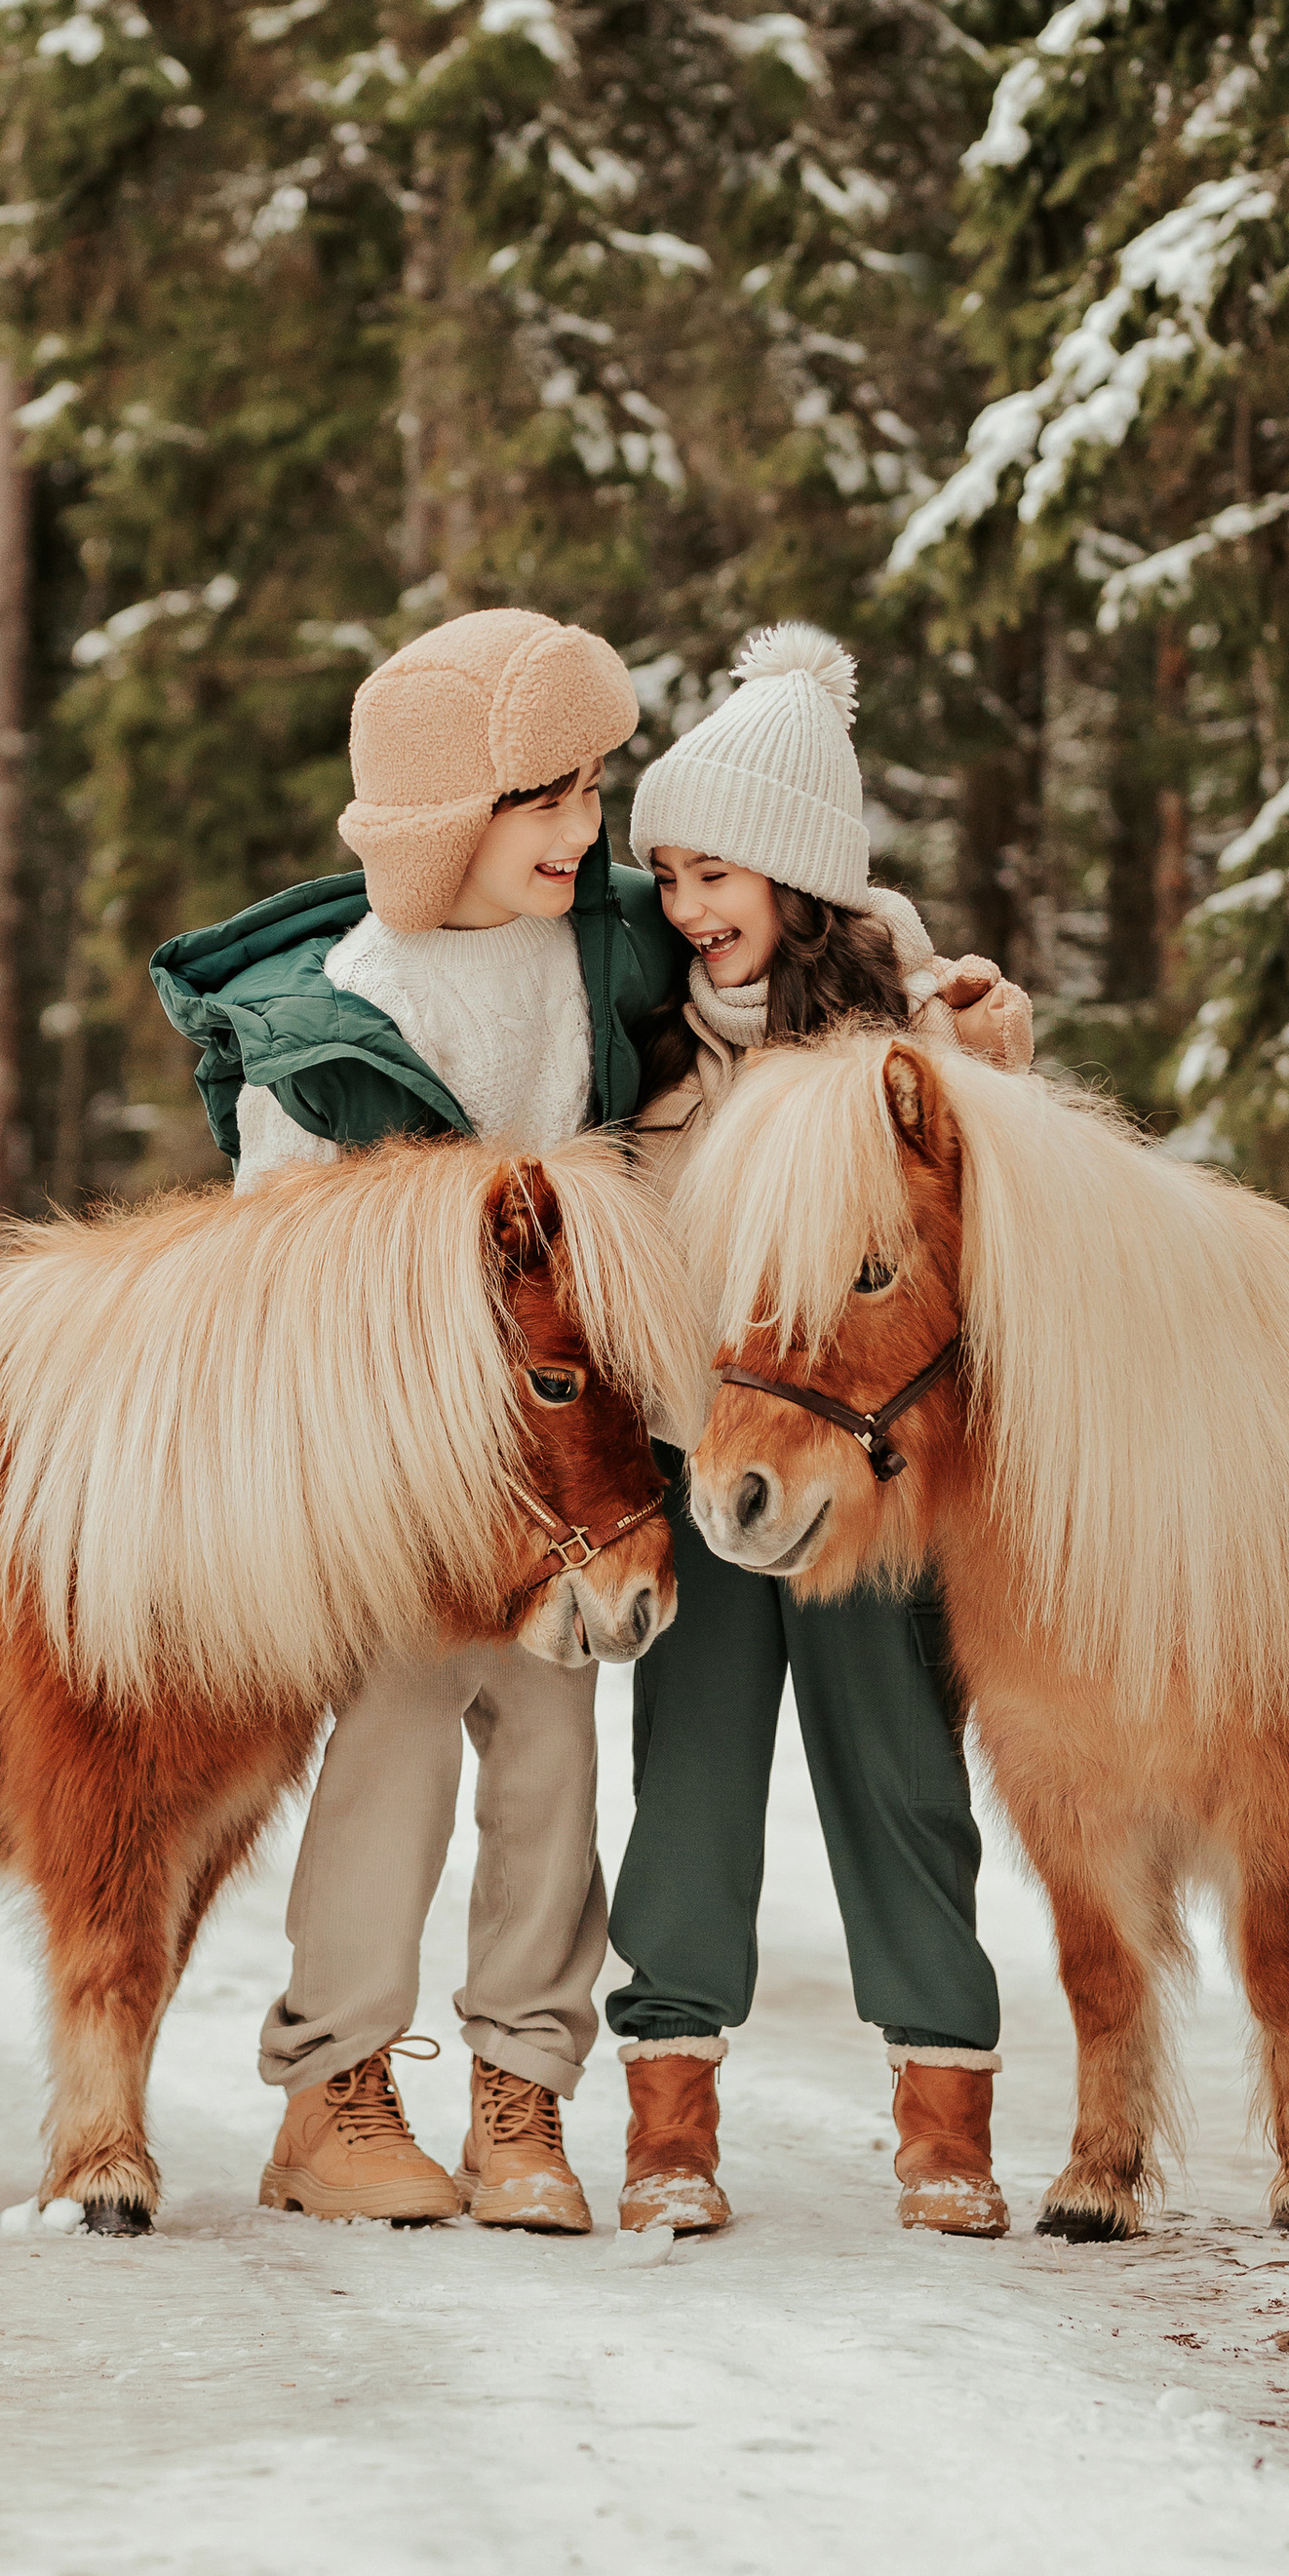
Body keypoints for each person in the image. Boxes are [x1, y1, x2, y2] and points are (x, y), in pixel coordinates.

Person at [150, 607, 684, 2234]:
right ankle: (337, 2089)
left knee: (551, 1764)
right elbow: (282, 1267)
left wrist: (935, 977)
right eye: (549, 798)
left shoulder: (607, 949)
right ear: (454, 817)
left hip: (567, 1459)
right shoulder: (328, 1031)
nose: (589, 829)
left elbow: (779, 939)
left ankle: (522, 2091)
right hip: (402, 1474)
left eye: (596, 790)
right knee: (387, 1757)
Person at [609, 623, 1035, 2240]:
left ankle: (944, 2120)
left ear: (794, 873)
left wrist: (997, 1057)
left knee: (902, 1776)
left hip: (865, 1476)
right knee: (694, 1783)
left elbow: (997, 1234)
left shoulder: (913, 1053)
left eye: (715, 871)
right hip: (701, 1459)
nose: (688, 909)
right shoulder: (650, 1052)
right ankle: (668, 2124)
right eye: (669, 877)